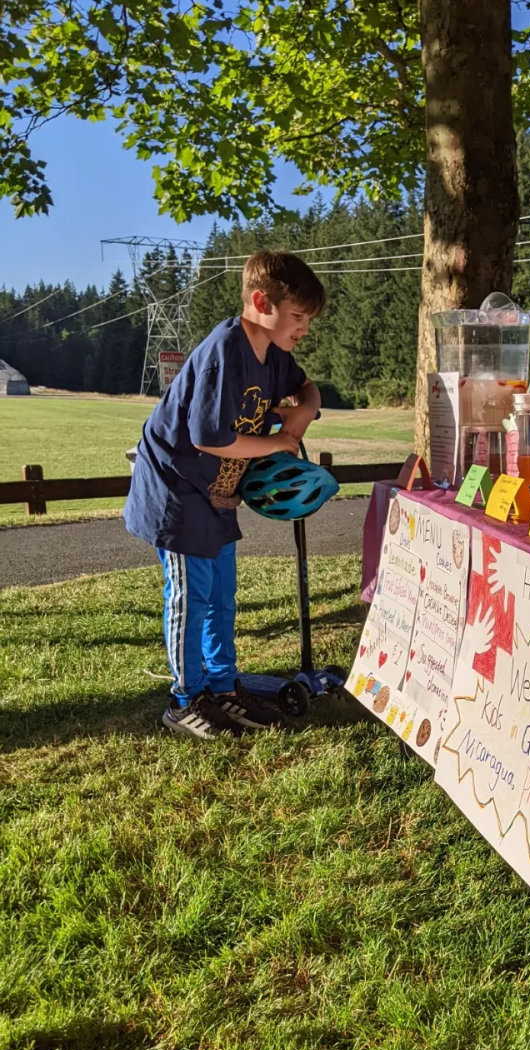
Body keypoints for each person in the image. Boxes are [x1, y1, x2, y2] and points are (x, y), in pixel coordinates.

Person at [123, 251, 326, 739]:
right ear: (260, 302)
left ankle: (222, 687)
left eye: (308, 320)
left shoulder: (274, 356)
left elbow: (308, 388)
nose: (304, 328)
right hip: (175, 491)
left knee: (221, 596)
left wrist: (303, 411)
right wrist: (280, 439)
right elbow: (209, 437)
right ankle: (184, 699)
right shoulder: (224, 352)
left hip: (216, 494)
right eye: (297, 317)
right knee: (190, 599)